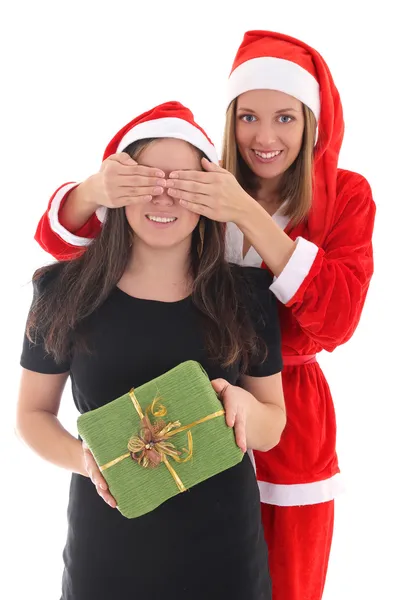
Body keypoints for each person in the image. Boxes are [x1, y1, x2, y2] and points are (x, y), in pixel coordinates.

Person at [30, 30, 376, 600]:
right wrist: (96, 189)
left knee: (282, 581)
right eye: (248, 117)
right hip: (182, 400)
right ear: (229, 119)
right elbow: (75, 248)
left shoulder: (344, 195)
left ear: (312, 120)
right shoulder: (193, 178)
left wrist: (243, 210)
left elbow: (337, 320)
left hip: (282, 409)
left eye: (286, 118)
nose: (264, 137)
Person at [16, 101, 286, 600]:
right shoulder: (62, 291)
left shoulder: (248, 293)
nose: (164, 196)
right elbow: (31, 414)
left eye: (183, 182)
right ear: (118, 190)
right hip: (108, 548)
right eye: (147, 180)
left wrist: (248, 409)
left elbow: (273, 424)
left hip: (225, 554)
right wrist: (84, 460)